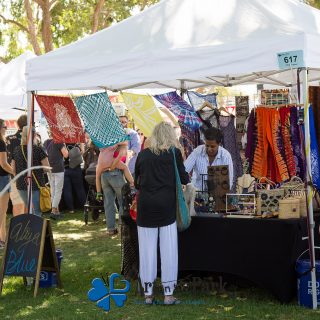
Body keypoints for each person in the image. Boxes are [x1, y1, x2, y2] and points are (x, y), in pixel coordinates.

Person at [134, 122, 189, 305]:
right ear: (171, 136)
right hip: (166, 207)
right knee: (168, 251)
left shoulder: (143, 155)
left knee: (147, 251)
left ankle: (148, 294)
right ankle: (168, 295)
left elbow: (136, 182)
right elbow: (184, 178)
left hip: (146, 206)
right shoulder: (174, 154)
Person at [12, 126, 50, 216]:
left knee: (29, 209)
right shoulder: (38, 149)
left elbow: (13, 170)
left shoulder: (17, 150)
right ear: (34, 135)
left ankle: (30, 229)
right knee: (37, 211)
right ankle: (37, 229)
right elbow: (47, 167)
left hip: (21, 184)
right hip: (36, 184)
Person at [6, 114, 27, 215]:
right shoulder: (34, 138)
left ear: (17, 125)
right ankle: (28, 227)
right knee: (28, 203)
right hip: (30, 175)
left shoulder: (9, 139)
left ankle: (18, 228)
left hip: (14, 174)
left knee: (17, 204)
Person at [44, 135, 69, 219]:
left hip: (49, 168)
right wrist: (64, 146)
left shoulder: (46, 141)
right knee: (58, 190)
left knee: (53, 189)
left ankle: (55, 211)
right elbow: (66, 155)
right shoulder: (59, 141)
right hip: (58, 168)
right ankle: (54, 209)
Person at [0, 119, 14, 249]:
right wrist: (15, 172)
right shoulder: (1, 142)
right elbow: (3, 164)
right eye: (5, 126)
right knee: (2, 211)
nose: (6, 128)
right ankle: (2, 240)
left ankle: (3, 240)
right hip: (2, 179)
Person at [62, 143, 86, 213]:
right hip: (76, 168)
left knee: (67, 190)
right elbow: (82, 152)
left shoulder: (62, 145)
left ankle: (71, 209)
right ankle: (84, 207)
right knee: (80, 189)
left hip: (65, 168)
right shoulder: (75, 144)